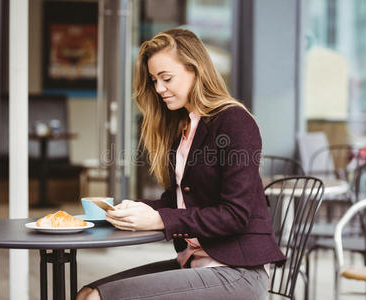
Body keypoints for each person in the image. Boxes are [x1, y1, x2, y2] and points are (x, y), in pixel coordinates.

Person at [77, 28, 285, 300]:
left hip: (238, 272)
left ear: (195, 70)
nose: (159, 88)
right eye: (154, 80)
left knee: (97, 298)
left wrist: (159, 219)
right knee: (88, 292)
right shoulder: (186, 127)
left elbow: (235, 214)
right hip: (196, 264)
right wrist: (129, 210)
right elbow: (179, 202)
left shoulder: (234, 121)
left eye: (166, 78)